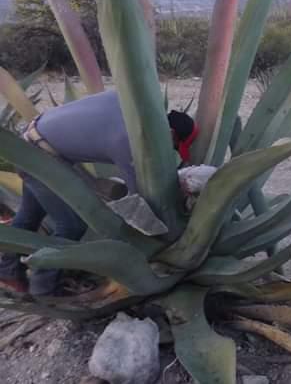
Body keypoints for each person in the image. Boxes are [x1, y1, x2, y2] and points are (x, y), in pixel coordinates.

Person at [0, 90, 196, 296]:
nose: (170, 150)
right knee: (72, 225)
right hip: (42, 157)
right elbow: (139, 197)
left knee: (31, 214)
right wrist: (165, 222)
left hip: (32, 140)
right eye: (174, 146)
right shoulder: (129, 142)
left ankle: (7, 271)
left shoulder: (128, 101)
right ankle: (43, 286)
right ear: (172, 133)